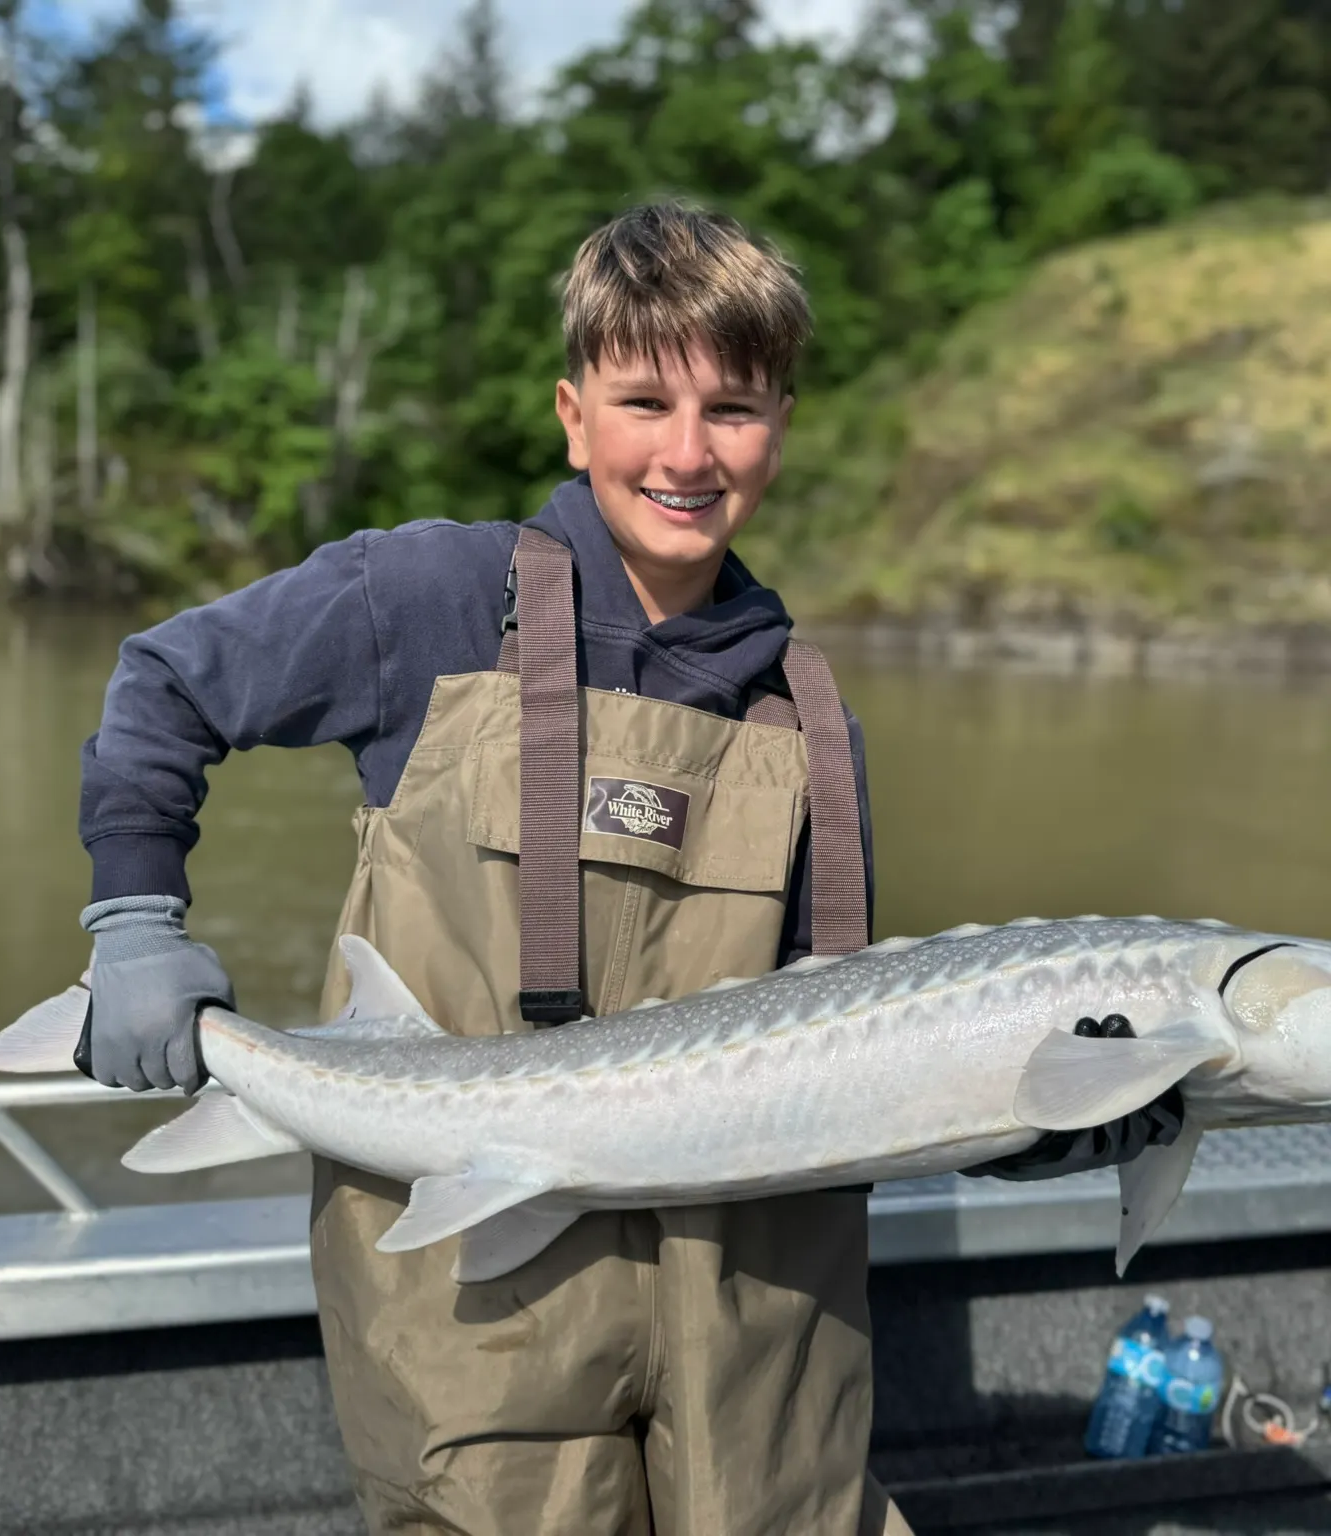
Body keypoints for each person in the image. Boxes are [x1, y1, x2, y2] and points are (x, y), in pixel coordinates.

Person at [75, 203, 1181, 1535]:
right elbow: (166, 686)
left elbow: (852, 1066)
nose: (686, 451)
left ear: (781, 425)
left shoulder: (813, 725)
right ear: (572, 414)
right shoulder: (427, 599)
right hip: (484, 1298)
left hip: (761, 1319)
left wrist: (1051, 1122)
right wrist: (137, 919)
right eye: (644, 399)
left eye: (735, 407)